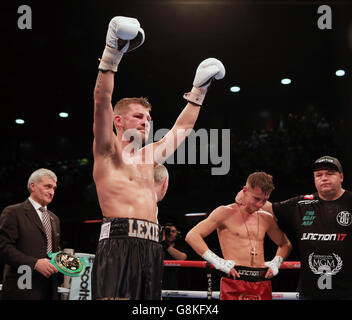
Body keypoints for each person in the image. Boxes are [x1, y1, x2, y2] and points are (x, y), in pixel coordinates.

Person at [91, 15, 225, 300]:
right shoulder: (107, 151)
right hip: (118, 242)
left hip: (151, 245)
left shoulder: (149, 156)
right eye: (138, 116)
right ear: (118, 120)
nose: (146, 122)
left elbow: (182, 129)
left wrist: (198, 91)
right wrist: (112, 55)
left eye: (149, 118)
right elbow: (101, 100)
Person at [237, 156, 352, 299]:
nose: (324, 178)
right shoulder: (301, 204)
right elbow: (267, 207)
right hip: (309, 293)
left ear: (341, 177)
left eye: (329, 174)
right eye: (319, 175)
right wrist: (246, 193)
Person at [186, 171, 292, 300]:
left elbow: (285, 244)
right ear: (245, 191)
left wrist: (277, 262)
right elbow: (192, 236)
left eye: (265, 200)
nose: (260, 204)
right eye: (256, 199)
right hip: (235, 280)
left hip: (262, 280)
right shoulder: (225, 212)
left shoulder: (266, 218)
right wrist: (218, 262)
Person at [0, 168, 61, 300]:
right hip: (22, 286)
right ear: (33, 186)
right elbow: (4, 248)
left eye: (54, 188)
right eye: (48, 187)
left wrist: (67, 262)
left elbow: (52, 250)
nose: (51, 192)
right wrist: (35, 263)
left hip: (49, 288)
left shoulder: (54, 218)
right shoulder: (13, 212)